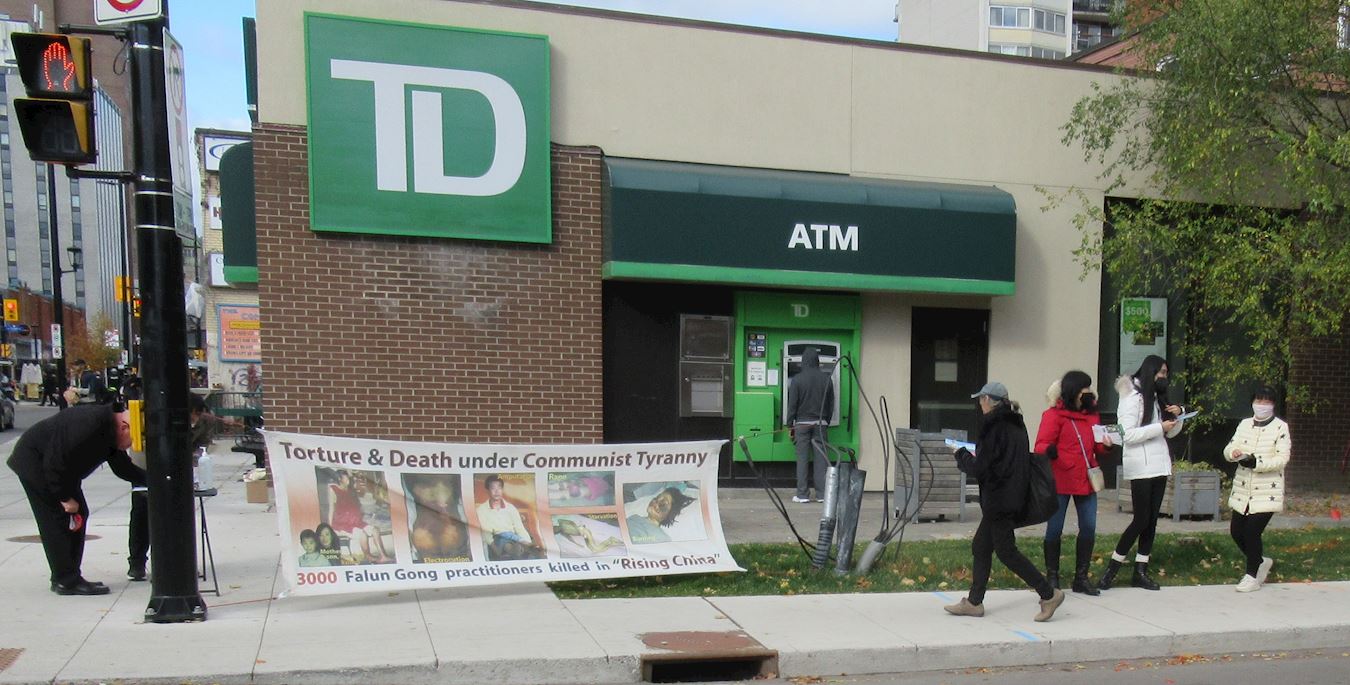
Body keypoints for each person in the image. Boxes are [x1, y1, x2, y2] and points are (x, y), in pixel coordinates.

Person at [946, 381, 1065, 622]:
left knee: (1006, 552)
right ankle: (974, 602)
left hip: (999, 500)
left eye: (981, 399)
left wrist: (961, 454)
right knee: (981, 546)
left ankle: (1049, 594)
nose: (980, 404)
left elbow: (981, 468)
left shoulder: (992, 426)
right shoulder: (1016, 424)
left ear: (989, 401)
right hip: (1013, 495)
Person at [6, 404, 144, 595]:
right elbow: (54, 462)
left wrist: (154, 481)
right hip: (37, 464)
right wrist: (64, 498)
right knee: (59, 519)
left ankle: (68, 576)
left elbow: (123, 468)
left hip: (60, 471)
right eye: (132, 441)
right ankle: (66, 580)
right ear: (124, 427)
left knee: (78, 515)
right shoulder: (90, 425)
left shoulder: (109, 430)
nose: (129, 447)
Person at [1100, 354, 1186, 591]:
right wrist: (1159, 427)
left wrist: (1177, 418)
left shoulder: (1156, 397)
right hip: (1140, 465)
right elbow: (1127, 435)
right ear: (1150, 371)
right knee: (1140, 519)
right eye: (1161, 373)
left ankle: (1140, 570)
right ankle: (1112, 568)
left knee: (1151, 521)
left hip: (1159, 464)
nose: (1164, 378)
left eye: (1166, 373)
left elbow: (1169, 433)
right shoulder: (1132, 397)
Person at [1035, 370, 1110, 595]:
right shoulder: (1054, 415)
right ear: (1073, 391)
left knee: (1089, 527)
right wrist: (1051, 451)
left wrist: (1106, 445)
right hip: (1061, 479)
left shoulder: (1092, 416)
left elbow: (1097, 447)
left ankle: (1081, 578)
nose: (1088, 391)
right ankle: (1052, 577)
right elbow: (1040, 445)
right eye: (1084, 388)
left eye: (1089, 387)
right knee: (1054, 528)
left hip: (1085, 479)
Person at [1222, 384, 1290, 592]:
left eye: (1266, 401)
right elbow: (1229, 447)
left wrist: (1256, 462)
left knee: (1252, 532)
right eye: (1259, 400)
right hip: (1243, 488)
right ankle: (1260, 561)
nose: (1262, 405)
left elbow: (1282, 458)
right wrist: (1233, 453)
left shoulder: (1280, 427)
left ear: (1273, 405)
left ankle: (1252, 576)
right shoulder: (1244, 424)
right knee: (1236, 532)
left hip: (1267, 490)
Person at [785, 347, 835, 504]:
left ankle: (802, 495)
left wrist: (789, 424)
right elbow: (831, 405)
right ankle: (821, 495)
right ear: (817, 362)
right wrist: (826, 421)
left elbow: (792, 405)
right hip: (820, 424)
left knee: (802, 459)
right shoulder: (827, 379)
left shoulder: (797, 379)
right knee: (821, 460)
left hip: (802, 425)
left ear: (803, 361)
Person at [329, 470, 391, 563]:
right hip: (342, 524)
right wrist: (329, 527)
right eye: (346, 477)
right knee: (362, 534)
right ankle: (368, 556)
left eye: (348, 477)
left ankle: (383, 556)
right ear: (339, 479)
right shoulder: (333, 489)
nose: (348, 479)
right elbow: (331, 509)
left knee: (375, 529)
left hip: (356, 522)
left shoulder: (351, 490)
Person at [476, 474, 537, 558]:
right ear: (487, 490)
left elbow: (520, 528)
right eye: (493, 488)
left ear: (502, 490)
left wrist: (528, 543)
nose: (497, 491)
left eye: (499, 488)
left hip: (514, 537)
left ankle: (519, 549)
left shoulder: (511, 508)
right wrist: (495, 549)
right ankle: (514, 549)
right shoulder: (481, 510)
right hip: (496, 539)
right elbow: (486, 533)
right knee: (502, 539)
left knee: (530, 555)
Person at [625, 486, 696, 544]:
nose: (655, 502)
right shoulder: (634, 517)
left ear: (670, 513)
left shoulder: (661, 538)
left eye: (663, 503)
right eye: (656, 499)